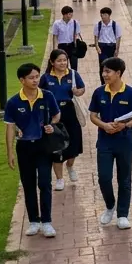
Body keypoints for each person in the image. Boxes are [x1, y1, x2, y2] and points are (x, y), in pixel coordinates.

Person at [4, 62, 62, 238]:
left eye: (37, 76)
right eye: (31, 78)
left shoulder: (47, 96)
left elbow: (57, 114)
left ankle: (46, 221)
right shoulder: (13, 102)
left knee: (45, 183)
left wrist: (52, 125)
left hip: (43, 146)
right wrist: (10, 152)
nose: (35, 80)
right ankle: (33, 221)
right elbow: (9, 127)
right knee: (28, 184)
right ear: (22, 80)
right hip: (24, 148)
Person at [88, 57, 132, 229]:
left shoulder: (131, 93)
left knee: (124, 179)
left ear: (118, 73)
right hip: (104, 142)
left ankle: (123, 214)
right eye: (104, 71)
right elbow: (93, 115)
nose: (104, 75)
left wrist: (124, 125)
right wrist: (104, 125)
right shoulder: (99, 92)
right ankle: (110, 206)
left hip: (124, 141)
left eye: (108, 71)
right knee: (104, 177)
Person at [41, 49, 86, 191]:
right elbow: (39, 94)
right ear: (52, 62)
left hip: (69, 111)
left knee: (74, 143)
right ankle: (59, 179)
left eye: (64, 60)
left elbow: (82, 88)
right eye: (59, 60)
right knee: (56, 145)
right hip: (53, 113)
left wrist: (78, 92)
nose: (62, 63)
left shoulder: (72, 74)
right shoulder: (46, 78)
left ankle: (70, 165)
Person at [49, 6, 82, 71]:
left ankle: (73, 79)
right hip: (62, 46)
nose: (70, 16)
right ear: (64, 14)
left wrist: (76, 44)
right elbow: (55, 36)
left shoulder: (75, 23)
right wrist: (55, 49)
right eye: (68, 14)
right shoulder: (57, 23)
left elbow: (77, 34)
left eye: (71, 14)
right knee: (63, 66)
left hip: (72, 46)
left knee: (74, 66)